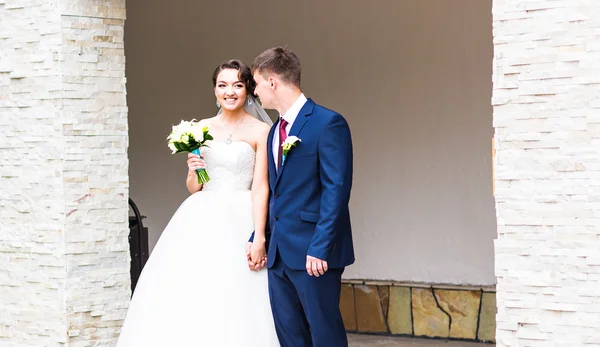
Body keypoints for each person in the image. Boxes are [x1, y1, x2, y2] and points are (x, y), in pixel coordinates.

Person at [116, 59, 280, 347]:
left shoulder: (260, 131)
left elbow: (260, 186)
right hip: (203, 215)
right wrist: (193, 170)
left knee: (239, 290)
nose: (230, 92)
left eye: (238, 85)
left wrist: (260, 235)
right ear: (215, 90)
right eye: (223, 85)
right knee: (196, 288)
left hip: (242, 214)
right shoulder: (200, 129)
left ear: (248, 91)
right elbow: (195, 187)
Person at [247, 46, 355, 347]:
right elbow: (277, 192)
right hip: (279, 253)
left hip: (313, 254)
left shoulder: (328, 123)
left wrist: (320, 247)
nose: (254, 92)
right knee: (290, 336)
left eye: (256, 83)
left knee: (324, 335)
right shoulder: (273, 131)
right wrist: (260, 234)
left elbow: (336, 190)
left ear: (272, 82)